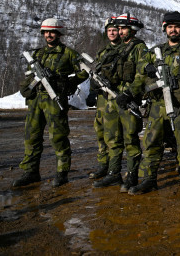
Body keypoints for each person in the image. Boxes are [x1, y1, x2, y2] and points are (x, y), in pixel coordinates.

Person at [120, 11, 180, 196]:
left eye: (177, 27)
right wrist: (130, 92)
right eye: (170, 27)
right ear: (165, 29)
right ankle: (149, 180)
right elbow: (140, 77)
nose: (173, 30)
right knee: (151, 144)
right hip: (157, 107)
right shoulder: (154, 52)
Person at [14, 18, 88, 188]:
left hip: (54, 100)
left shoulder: (69, 53)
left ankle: (62, 173)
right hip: (36, 100)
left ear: (59, 34)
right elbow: (30, 75)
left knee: (58, 137)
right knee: (31, 137)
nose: (49, 35)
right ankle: (31, 172)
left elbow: (84, 72)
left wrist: (67, 83)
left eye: (52, 32)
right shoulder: (38, 54)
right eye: (46, 32)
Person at [105, 13, 149, 192]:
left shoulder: (139, 48)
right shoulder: (116, 49)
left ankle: (132, 175)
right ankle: (113, 172)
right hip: (112, 99)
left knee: (130, 138)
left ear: (131, 29)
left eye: (123, 28)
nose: (119, 31)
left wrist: (130, 93)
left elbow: (142, 74)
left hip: (128, 99)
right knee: (113, 138)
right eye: (118, 28)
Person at [86, 16, 121, 181]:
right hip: (101, 99)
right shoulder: (103, 52)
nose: (112, 33)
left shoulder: (124, 50)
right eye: (109, 31)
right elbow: (96, 74)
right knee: (100, 132)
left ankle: (114, 170)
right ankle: (103, 165)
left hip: (114, 99)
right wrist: (92, 91)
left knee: (112, 136)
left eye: (114, 30)